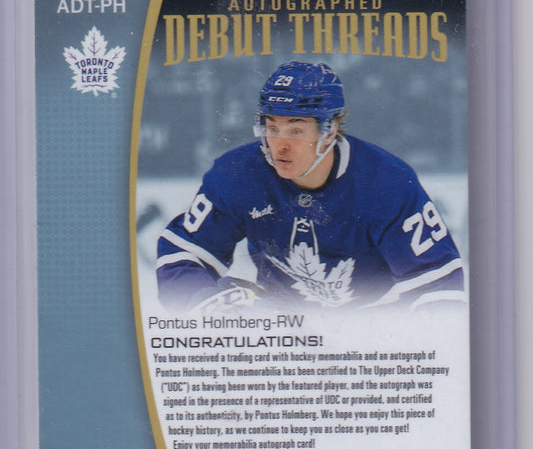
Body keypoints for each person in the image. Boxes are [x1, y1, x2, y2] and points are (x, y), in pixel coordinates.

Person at [157, 61, 464, 312]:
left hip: (374, 327)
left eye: (296, 131)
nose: (280, 146)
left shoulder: (387, 182)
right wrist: (204, 302)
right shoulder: (237, 174)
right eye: (272, 128)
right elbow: (181, 255)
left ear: (329, 131)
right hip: (282, 326)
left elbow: (439, 286)